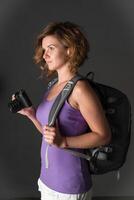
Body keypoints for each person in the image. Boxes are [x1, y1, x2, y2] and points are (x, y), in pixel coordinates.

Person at [13, 21, 111, 200]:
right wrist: (32, 115)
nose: (45, 55)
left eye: (50, 48)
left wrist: (64, 141)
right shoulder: (54, 86)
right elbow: (49, 135)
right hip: (46, 181)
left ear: (69, 50)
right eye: (44, 49)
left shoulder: (80, 89)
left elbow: (103, 135)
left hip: (69, 186)